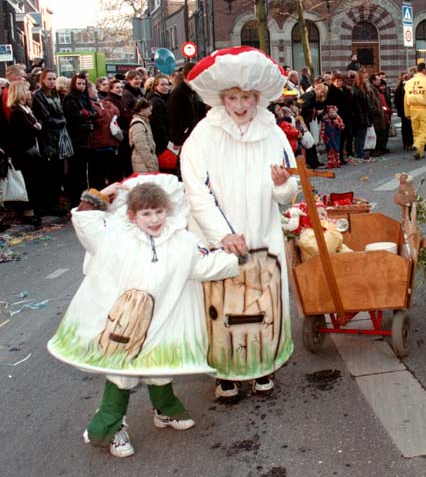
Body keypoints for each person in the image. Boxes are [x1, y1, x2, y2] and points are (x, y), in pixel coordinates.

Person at [47, 175, 239, 458]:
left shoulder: (182, 241)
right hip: (125, 322)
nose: (154, 219)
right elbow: (87, 226)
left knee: (161, 364)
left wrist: (234, 258)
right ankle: (110, 426)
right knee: (121, 374)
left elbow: (201, 266)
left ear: (168, 210)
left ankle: (165, 409)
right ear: (131, 215)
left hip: (162, 320)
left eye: (159, 211)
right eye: (146, 213)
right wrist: (95, 199)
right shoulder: (116, 237)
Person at [180, 46, 299, 399]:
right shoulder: (203, 134)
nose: (240, 104)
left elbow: (290, 186)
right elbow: (195, 189)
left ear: (257, 97)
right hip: (220, 237)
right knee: (223, 302)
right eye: (232, 97)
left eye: (246, 96)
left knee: (262, 300)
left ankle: (263, 365)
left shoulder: (274, 133)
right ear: (222, 99)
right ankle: (225, 373)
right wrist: (221, 234)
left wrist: (282, 185)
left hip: (262, 231)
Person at [32, 69, 71, 212]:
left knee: (59, 172)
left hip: (58, 136)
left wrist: (61, 121)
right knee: (51, 173)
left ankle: (55, 202)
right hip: (47, 138)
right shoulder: (39, 96)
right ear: (42, 80)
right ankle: (49, 204)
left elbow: (60, 112)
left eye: (54, 79)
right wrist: (61, 122)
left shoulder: (55, 95)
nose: (52, 82)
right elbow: (46, 117)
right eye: (49, 79)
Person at [6, 81, 45, 225]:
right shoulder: (17, 112)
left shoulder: (26, 109)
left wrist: (37, 127)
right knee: (28, 183)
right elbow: (28, 130)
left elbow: (37, 126)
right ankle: (29, 213)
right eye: (27, 90)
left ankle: (34, 210)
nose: (29, 93)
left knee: (33, 183)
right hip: (24, 153)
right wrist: (36, 127)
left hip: (32, 151)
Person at [63, 73, 98, 207]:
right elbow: (74, 116)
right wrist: (86, 114)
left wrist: (87, 114)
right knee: (76, 172)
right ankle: (75, 201)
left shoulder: (85, 98)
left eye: (83, 84)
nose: (81, 86)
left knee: (83, 172)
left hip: (86, 138)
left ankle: (83, 200)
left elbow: (93, 113)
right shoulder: (70, 98)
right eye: (79, 83)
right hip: (76, 138)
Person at [349, 69, 376, 161]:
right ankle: (359, 153)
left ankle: (360, 152)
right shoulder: (357, 90)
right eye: (364, 78)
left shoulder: (363, 89)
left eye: (366, 77)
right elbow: (358, 106)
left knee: (362, 136)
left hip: (363, 115)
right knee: (360, 136)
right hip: (359, 116)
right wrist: (362, 118)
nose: (366, 79)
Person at [129, 99, 159, 173]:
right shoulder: (138, 124)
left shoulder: (143, 122)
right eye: (149, 110)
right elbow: (142, 147)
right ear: (143, 109)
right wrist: (152, 166)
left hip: (143, 161)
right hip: (142, 163)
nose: (151, 113)